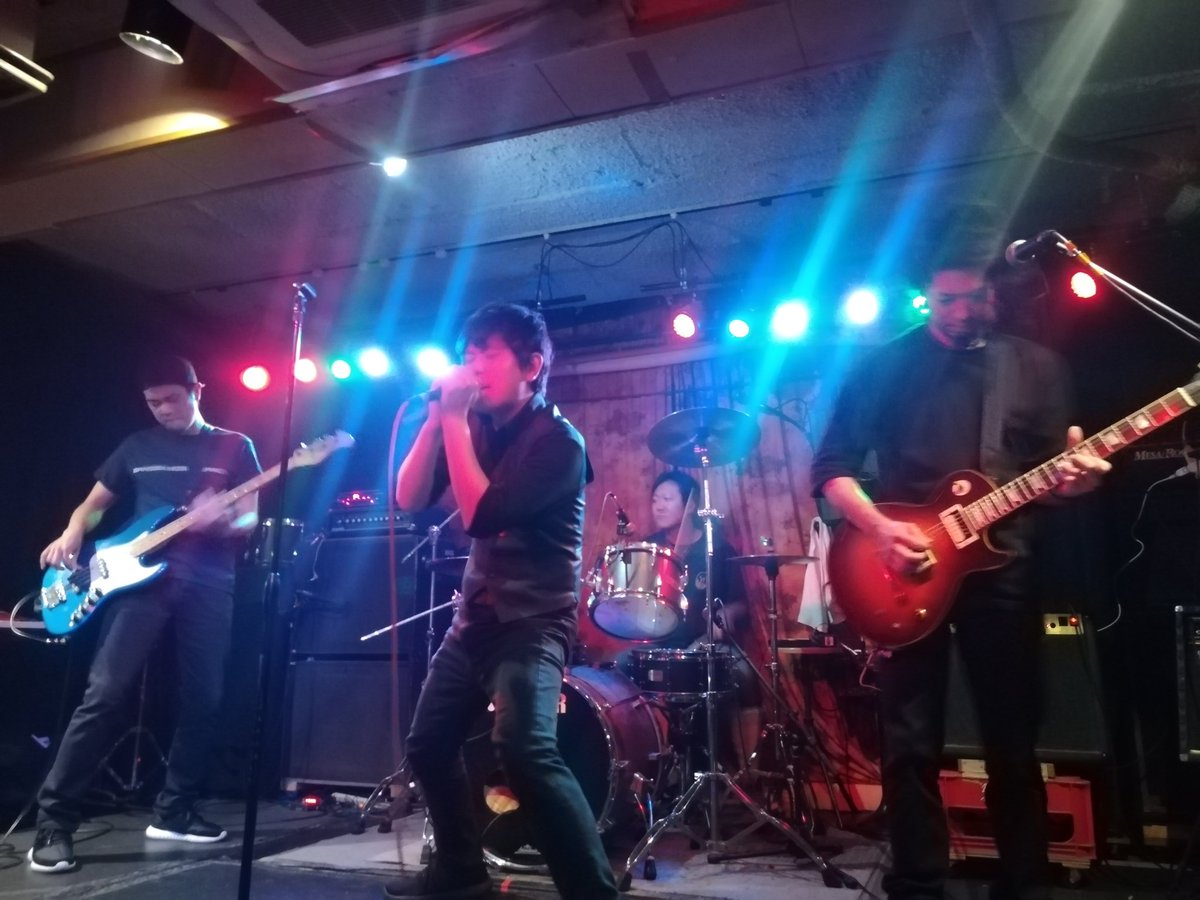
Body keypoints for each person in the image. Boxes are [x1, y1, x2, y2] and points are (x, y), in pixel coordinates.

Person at [810, 208, 1110, 900]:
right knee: (909, 743)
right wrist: (880, 529)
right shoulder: (885, 366)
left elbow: (1056, 478)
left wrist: (1078, 481)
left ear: (994, 291)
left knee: (1013, 740)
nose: (957, 311)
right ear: (926, 293)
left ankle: (1025, 883)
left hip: (1003, 573)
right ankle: (918, 884)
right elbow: (831, 468)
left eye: (972, 297)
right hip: (901, 570)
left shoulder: (1036, 367)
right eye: (944, 299)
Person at [392, 303, 619, 899]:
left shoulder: (560, 444)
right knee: (428, 744)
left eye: (486, 354)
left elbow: (483, 515)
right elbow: (409, 497)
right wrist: (436, 420)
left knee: (525, 751)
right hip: (475, 619)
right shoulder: (474, 427)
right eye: (467, 354)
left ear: (531, 366)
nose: (471, 365)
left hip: (534, 622)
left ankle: (593, 892)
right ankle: (460, 870)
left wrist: (454, 420)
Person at [29, 355, 261, 873]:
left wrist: (220, 522)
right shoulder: (136, 446)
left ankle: (174, 812)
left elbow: (249, 520)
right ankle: (54, 822)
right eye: (153, 403)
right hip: (139, 584)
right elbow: (92, 506)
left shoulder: (235, 445)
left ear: (197, 391)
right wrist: (72, 531)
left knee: (204, 699)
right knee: (105, 694)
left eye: (171, 399)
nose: (162, 410)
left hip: (209, 583)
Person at [640, 470, 762, 769]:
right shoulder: (649, 548)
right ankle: (644, 769)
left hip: (705, 643)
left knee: (738, 676)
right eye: (655, 499)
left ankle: (731, 769)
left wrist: (725, 615)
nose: (658, 506)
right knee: (616, 671)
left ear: (691, 505)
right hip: (659, 644)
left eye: (667, 499)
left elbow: (740, 603)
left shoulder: (716, 548)